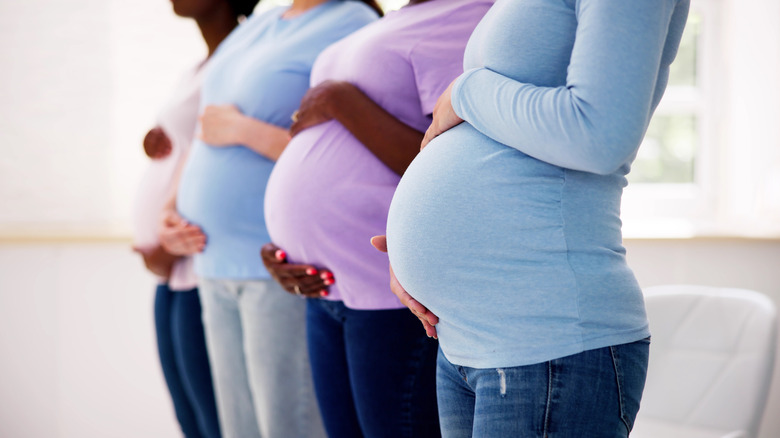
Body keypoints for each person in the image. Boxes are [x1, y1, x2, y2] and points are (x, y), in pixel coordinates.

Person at [379, 0, 691, 436]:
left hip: (546, 342)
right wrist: (415, 248)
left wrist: (465, 92)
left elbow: (599, 136)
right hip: (464, 343)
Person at [260, 1, 492, 436]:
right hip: (326, 288)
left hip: (389, 293)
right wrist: (289, 238)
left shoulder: (472, 13)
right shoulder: (400, 18)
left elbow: (456, 163)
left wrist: (338, 99)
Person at [164, 1, 380, 437]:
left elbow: (352, 149)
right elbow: (207, 126)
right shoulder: (262, 23)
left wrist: (245, 130)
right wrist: (170, 209)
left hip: (275, 266)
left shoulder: (352, 21)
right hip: (212, 261)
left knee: (288, 427)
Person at [131, 1, 249, 436]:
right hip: (171, 266)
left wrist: (165, 245)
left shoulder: (245, 56)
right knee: (190, 419)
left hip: (199, 261)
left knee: (213, 421)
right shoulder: (201, 64)